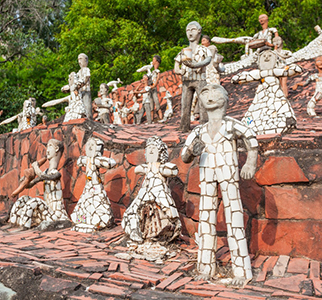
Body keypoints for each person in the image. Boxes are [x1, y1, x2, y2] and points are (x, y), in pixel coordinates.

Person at [181, 84, 258, 286]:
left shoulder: (231, 125)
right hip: (207, 176)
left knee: (234, 217)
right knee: (205, 219)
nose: (210, 96)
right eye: (205, 93)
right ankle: (206, 268)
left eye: (215, 92)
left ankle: (241, 272)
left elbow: (251, 140)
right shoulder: (200, 130)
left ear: (225, 98)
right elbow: (185, 155)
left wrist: (250, 163)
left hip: (229, 174)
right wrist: (192, 152)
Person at [122, 136, 181, 244]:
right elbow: (137, 170)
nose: (151, 151)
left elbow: (173, 171)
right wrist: (149, 167)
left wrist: (158, 167)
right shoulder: (146, 167)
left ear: (160, 153)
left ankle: (158, 234)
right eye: (149, 148)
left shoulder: (162, 168)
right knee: (131, 213)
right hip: (143, 194)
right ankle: (135, 231)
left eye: (154, 148)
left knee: (166, 214)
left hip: (159, 197)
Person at [9, 139, 69, 229]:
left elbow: (44, 176)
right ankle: (13, 223)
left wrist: (36, 167)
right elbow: (30, 185)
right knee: (23, 199)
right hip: (46, 213)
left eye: (50, 146)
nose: (47, 150)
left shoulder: (56, 174)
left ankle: (24, 227)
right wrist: (26, 179)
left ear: (56, 149)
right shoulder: (46, 171)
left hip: (57, 215)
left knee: (35, 201)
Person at [71, 137, 116, 232]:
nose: (90, 147)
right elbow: (79, 161)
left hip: (96, 185)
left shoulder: (97, 161)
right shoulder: (85, 159)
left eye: (93, 145)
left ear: (98, 149)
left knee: (98, 201)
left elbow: (111, 163)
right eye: (89, 145)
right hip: (88, 186)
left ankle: (99, 221)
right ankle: (81, 220)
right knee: (85, 202)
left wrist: (100, 159)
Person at [174, 21, 212, 132]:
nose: (190, 33)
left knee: (203, 104)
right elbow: (176, 66)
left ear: (199, 31)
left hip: (200, 79)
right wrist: (180, 71)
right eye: (188, 30)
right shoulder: (185, 51)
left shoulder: (203, 49)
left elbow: (208, 60)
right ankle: (184, 126)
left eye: (193, 30)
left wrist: (196, 65)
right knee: (185, 105)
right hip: (187, 80)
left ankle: (204, 125)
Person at [148, 55, 163, 121]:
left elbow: (157, 78)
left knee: (156, 102)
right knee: (151, 104)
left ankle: (161, 117)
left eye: (153, 59)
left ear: (156, 61)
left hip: (153, 88)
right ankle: (151, 119)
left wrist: (154, 86)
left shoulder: (157, 71)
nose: (152, 61)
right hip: (150, 88)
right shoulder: (152, 71)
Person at [77, 53, 92, 119]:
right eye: (78, 59)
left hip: (86, 91)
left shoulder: (86, 69)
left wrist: (81, 84)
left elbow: (86, 77)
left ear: (86, 60)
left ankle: (89, 120)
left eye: (80, 59)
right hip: (80, 92)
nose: (79, 61)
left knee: (87, 107)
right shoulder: (79, 71)